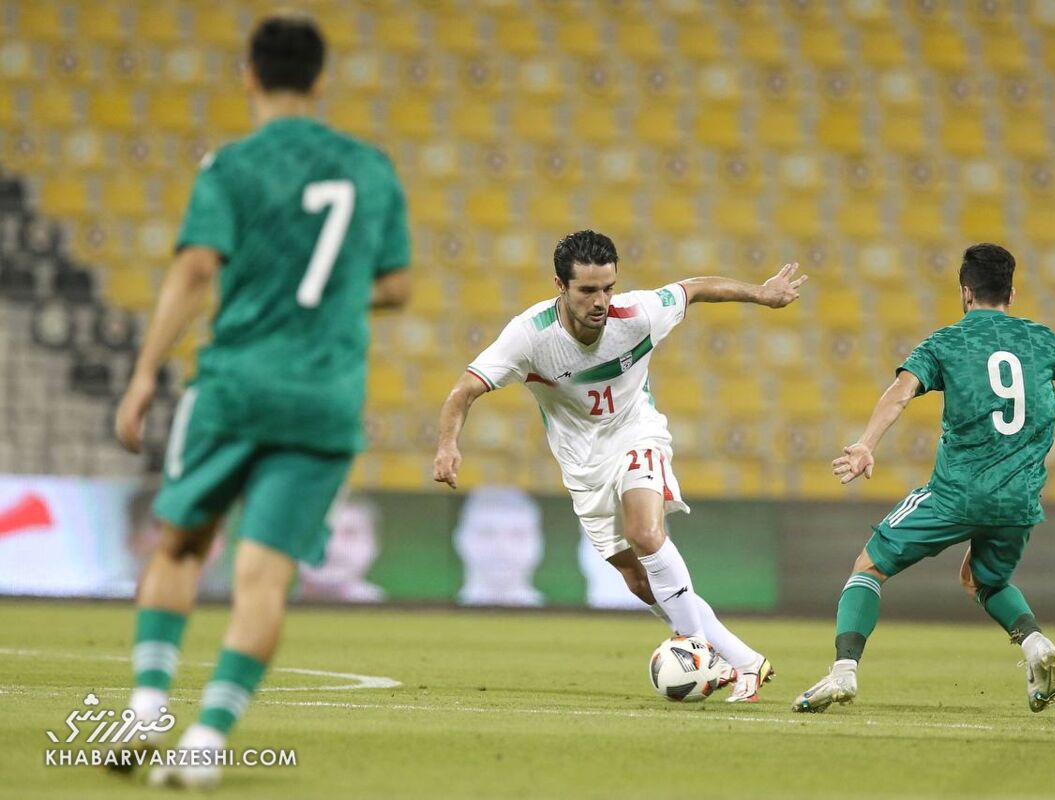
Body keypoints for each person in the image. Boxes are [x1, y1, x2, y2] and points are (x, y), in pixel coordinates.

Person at [111, 14, 411, 787]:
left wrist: (146, 372)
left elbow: (193, 271)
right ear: (320, 81)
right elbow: (398, 285)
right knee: (264, 578)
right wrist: (333, 300)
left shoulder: (230, 167)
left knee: (179, 542)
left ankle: (147, 702)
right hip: (322, 399)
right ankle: (206, 740)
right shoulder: (372, 169)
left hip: (235, 387)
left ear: (248, 75)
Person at [794, 243, 1055, 714]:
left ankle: (843, 672)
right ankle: (1035, 644)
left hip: (955, 494)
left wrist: (866, 445)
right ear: (1012, 294)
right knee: (984, 581)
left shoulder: (945, 342)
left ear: (965, 292)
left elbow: (900, 393)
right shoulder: (1043, 340)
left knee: (869, 567)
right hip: (1018, 501)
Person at [433, 230, 805, 702]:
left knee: (646, 534)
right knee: (637, 578)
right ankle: (746, 661)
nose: (601, 300)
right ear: (559, 286)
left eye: (608, 287)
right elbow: (464, 390)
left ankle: (701, 652)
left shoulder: (638, 313)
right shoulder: (530, 336)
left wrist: (762, 294)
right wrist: (448, 445)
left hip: (636, 434)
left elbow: (694, 288)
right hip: (583, 466)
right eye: (588, 290)